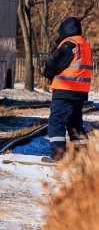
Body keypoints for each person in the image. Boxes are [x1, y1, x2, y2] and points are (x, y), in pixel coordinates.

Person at [43, 16, 93, 162]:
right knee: (75, 124)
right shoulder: (84, 45)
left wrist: (47, 73)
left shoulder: (69, 45)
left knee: (56, 121)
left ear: (64, 30)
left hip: (65, 90)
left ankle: (58, 156)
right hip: (80, 92)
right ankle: (82, 157)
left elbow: (53, 65)